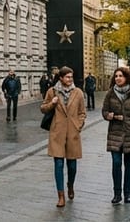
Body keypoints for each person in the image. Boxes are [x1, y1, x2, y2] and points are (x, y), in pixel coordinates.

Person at [42, 65, 86, 208]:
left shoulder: (78, 92)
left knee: (72, 165)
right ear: (61, 78)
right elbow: (43, 108)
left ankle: (70, 185)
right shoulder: (52, 91)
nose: (70, 79)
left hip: (73, 132)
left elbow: (82, 112)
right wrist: (52, 103)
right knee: (58, 164)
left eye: (71, 77)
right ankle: (60, 196)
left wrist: (78, 125)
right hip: (57, 132)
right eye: (67, 77)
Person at [101, 67, 130, 205]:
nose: (118, 78)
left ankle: (127, 193)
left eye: (120, 76)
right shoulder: (110, 93)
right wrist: (110, 116)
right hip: (115, 132)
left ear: (127, 77)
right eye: (116, 76)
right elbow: (104, 111)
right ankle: (117, 194)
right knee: (116, 163)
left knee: (129, 164)